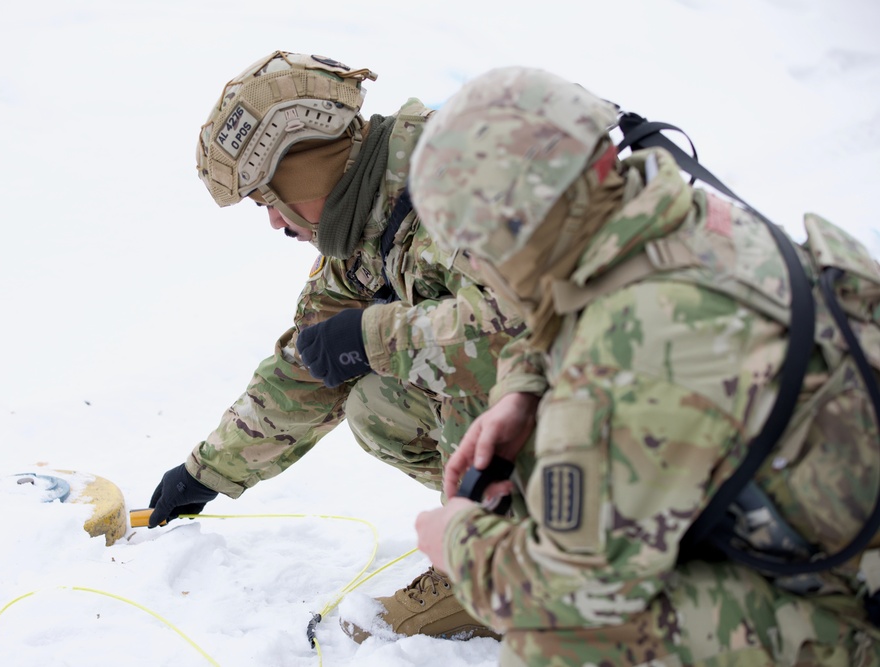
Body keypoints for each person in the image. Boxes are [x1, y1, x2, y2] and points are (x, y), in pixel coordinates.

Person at [410, 66, 880, 665]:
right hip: (838, 537)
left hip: (858, 616)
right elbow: (578, 302)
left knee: (559, 643)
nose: (480, 269)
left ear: (521, 232)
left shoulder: (626, 360)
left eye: (480, 250)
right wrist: (522, 391)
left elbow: (576, 594)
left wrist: (457, 540)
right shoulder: (682, 216)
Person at [147, 51, 542, 643]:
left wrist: (375, 337)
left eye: (269, 198)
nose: (276, 224)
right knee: (379, 408)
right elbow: (306, 366)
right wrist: (204, 474)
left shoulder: (466, 192)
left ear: (308, 170)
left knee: (448, 365)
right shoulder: (373, 223)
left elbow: (519, 343)